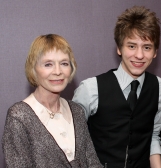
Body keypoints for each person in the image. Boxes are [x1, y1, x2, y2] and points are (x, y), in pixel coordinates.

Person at [73, 6, 161, 168]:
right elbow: (74, 141)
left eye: (147, 47)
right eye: (131, 46)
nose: (139, 55)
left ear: (155, 52)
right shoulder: (90, 89)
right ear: (119, 48)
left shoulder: (160, 87)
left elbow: (154, 136)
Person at [2, 34, 102, 168]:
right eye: (48, 64)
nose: (58, 71)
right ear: (33, 69)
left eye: (64, 63)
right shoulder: (19, 116)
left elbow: (93, 163)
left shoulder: (76, 111)